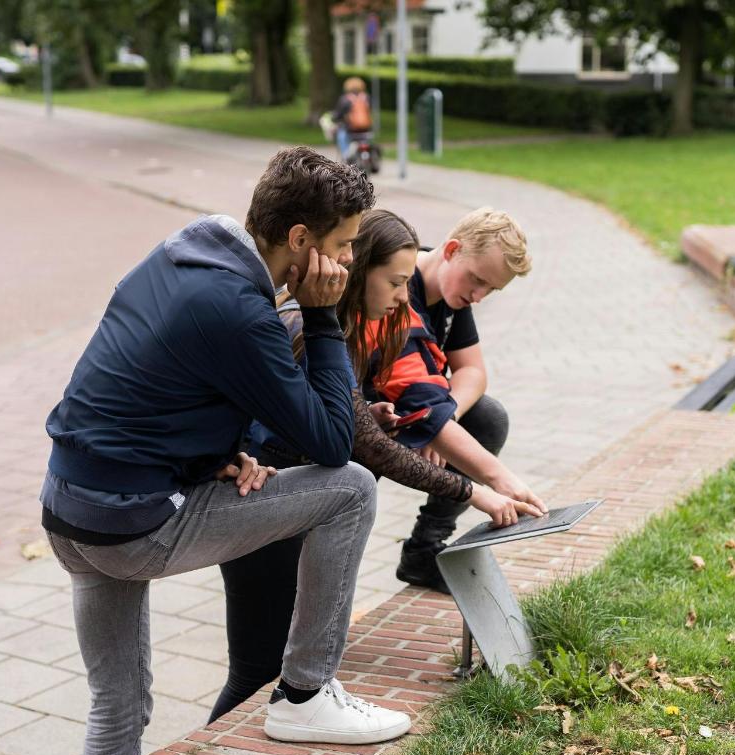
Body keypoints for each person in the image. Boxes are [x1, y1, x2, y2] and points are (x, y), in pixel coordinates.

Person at [40, 147, 410, 755]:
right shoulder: (241, 309)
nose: (350, 261)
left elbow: (153, 384)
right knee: (349, 489)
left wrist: (211, 455)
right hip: (135, 528)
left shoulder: (187, 249)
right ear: (300, 240)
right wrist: (323, 317)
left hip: (68, 511)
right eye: (345, 245)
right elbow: (330, 443)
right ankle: (305, 696)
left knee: (119, 702)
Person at [209, 209, 543, 721]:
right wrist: (476, 489)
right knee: (256, 670)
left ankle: (297, 708)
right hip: (266, 497)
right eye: (396, 282)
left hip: (302, 494)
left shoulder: (349, 326)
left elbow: (354, 428)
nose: (407, 299)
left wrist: (377, 416)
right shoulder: (308, 327)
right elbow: (366, 446)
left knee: (275, 663)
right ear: (358, 268)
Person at [375, 207, 538, 593]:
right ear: (451, 250)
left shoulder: (452, 293)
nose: (479, 296)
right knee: (356, 478)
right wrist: (498, 481)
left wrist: (445, 418)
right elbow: (415, 397)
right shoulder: (398, 288)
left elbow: (474, 373)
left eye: (491, 290)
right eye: (477, 280)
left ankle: (424, 549)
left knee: (487, 418)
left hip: (412, 406)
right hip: (367, 416)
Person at [331, 76, 372, 161]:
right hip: (366, 128)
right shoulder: (366, 97)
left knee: (341, 135)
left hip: (351, 129)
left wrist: (334, 118)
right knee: (366, 140)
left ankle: (346, 155)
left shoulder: (345, 99)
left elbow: (338, 115)